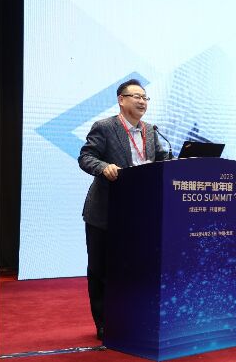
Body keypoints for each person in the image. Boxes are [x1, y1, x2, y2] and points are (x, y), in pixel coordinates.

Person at [78, 79, 171, 340]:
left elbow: (160, 160)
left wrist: (178, 164)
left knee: (135, 269)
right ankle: (104, 323)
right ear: (121, 100)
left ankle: (134, 318)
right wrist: (103, 167)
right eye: (136, 96)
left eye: (145, 97)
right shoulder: (105, 127)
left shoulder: (151, 130)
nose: (142, 101)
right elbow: (86, 157)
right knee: (101, 270)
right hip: (106, 212)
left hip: (139, 214)